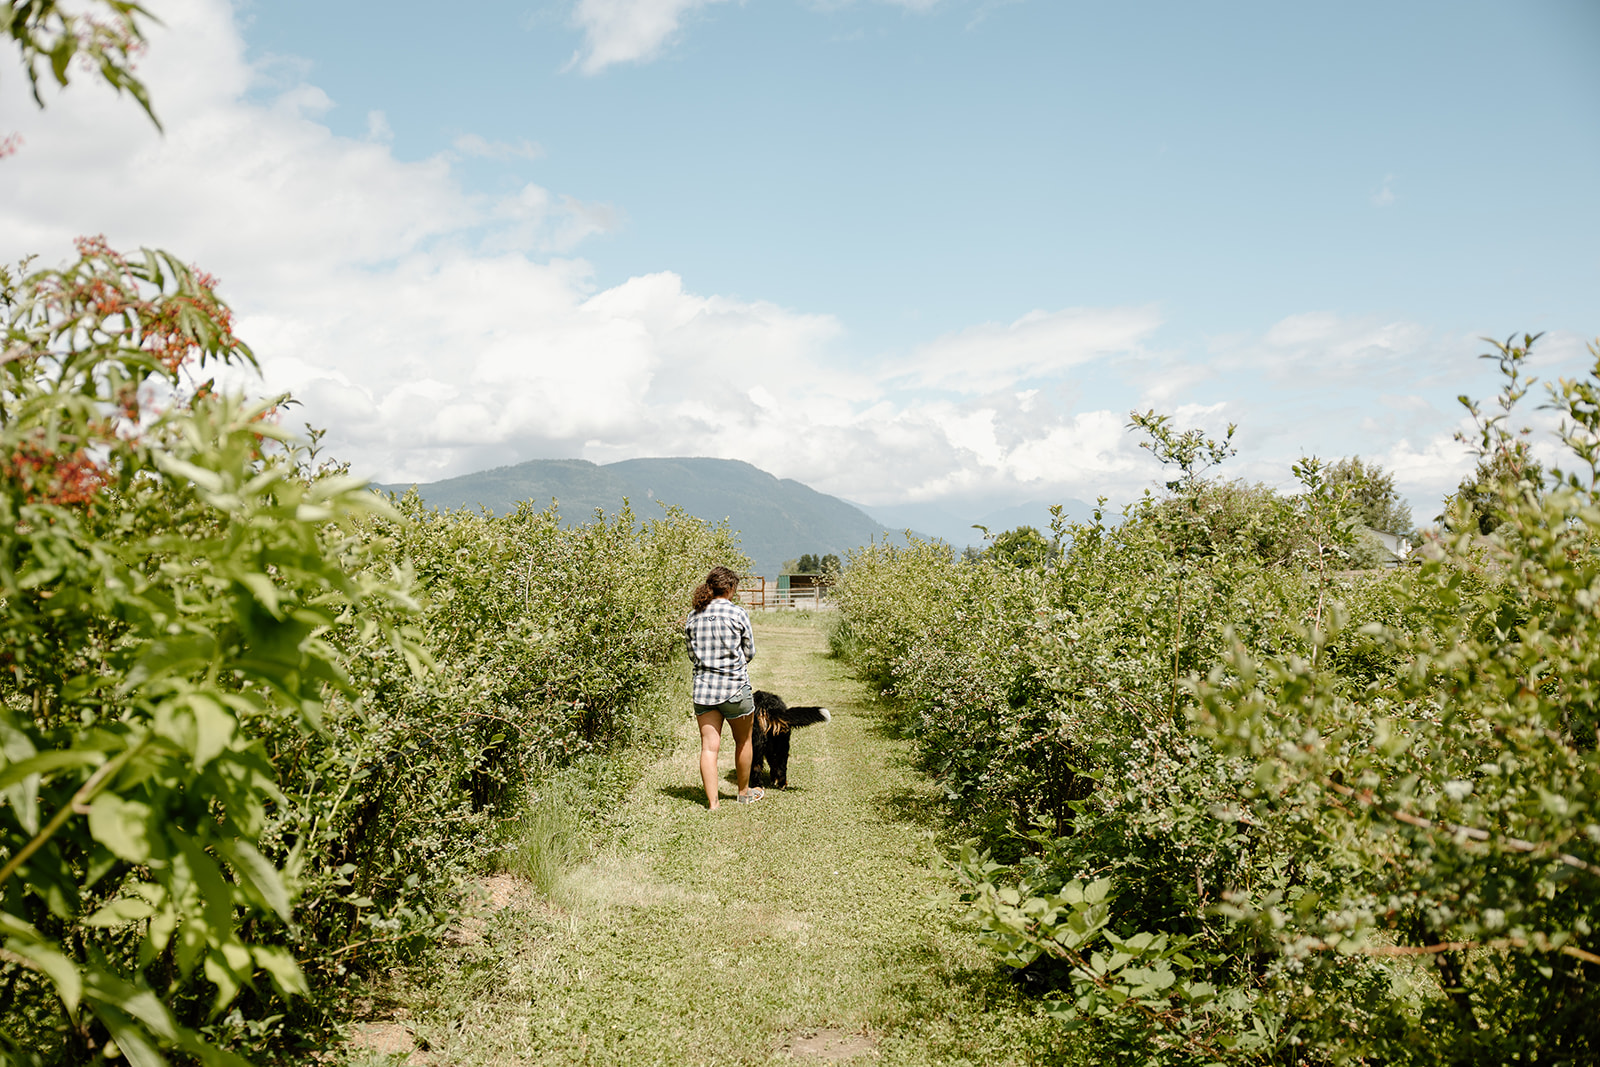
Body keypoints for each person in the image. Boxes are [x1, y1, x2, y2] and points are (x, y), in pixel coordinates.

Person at [685, 566, 761, 809]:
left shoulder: (693, 616)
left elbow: (691, 654)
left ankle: (713, 803)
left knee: (709, 747)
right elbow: (749, 652)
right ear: (730, 588)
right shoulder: (738, 614)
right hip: (735, 689)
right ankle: (743, 793)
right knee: (743, 741)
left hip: (704, 691)